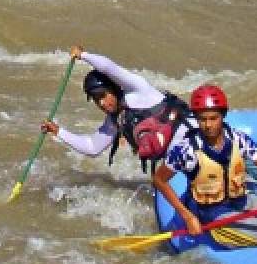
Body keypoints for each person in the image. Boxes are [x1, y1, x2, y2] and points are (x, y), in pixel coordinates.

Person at [151, 84, 257, 250]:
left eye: (213, 118)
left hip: (242, 200)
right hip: (215, 217)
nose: (208, 125)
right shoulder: (186, 150)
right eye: (202, 119)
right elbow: (159, 180)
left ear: (223, 115)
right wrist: (188, 216)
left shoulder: (238, 139)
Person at [41, 46, 192, 173]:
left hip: (195, 144)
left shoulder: (138, 89)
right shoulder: (115, 121)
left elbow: (108, 67)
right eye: (96, 99)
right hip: (177, 161)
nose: (101, 103)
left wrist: (83, 55)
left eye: (103, 95)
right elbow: (92, 147)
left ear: (114, 88)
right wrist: (58, 131)